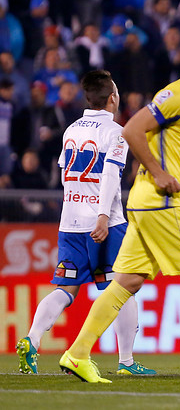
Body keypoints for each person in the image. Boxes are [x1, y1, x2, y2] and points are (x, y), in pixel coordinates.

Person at [59, 36, 180, 383]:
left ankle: (77, 353)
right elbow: (133, 129)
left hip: (146, 203)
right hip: (161, 202)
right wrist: (159, 171)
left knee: (127, 281)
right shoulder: (176, 95)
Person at [16, 70, 154, 376]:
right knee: (124, 285)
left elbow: (67, 175)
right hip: (105, 221)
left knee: (66, 287)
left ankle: (32, 340)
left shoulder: (70, 130)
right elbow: (109, 175)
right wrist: (103, 215)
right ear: (113, 98)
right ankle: (127, 362)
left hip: (71, 221)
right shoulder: (115, 131)